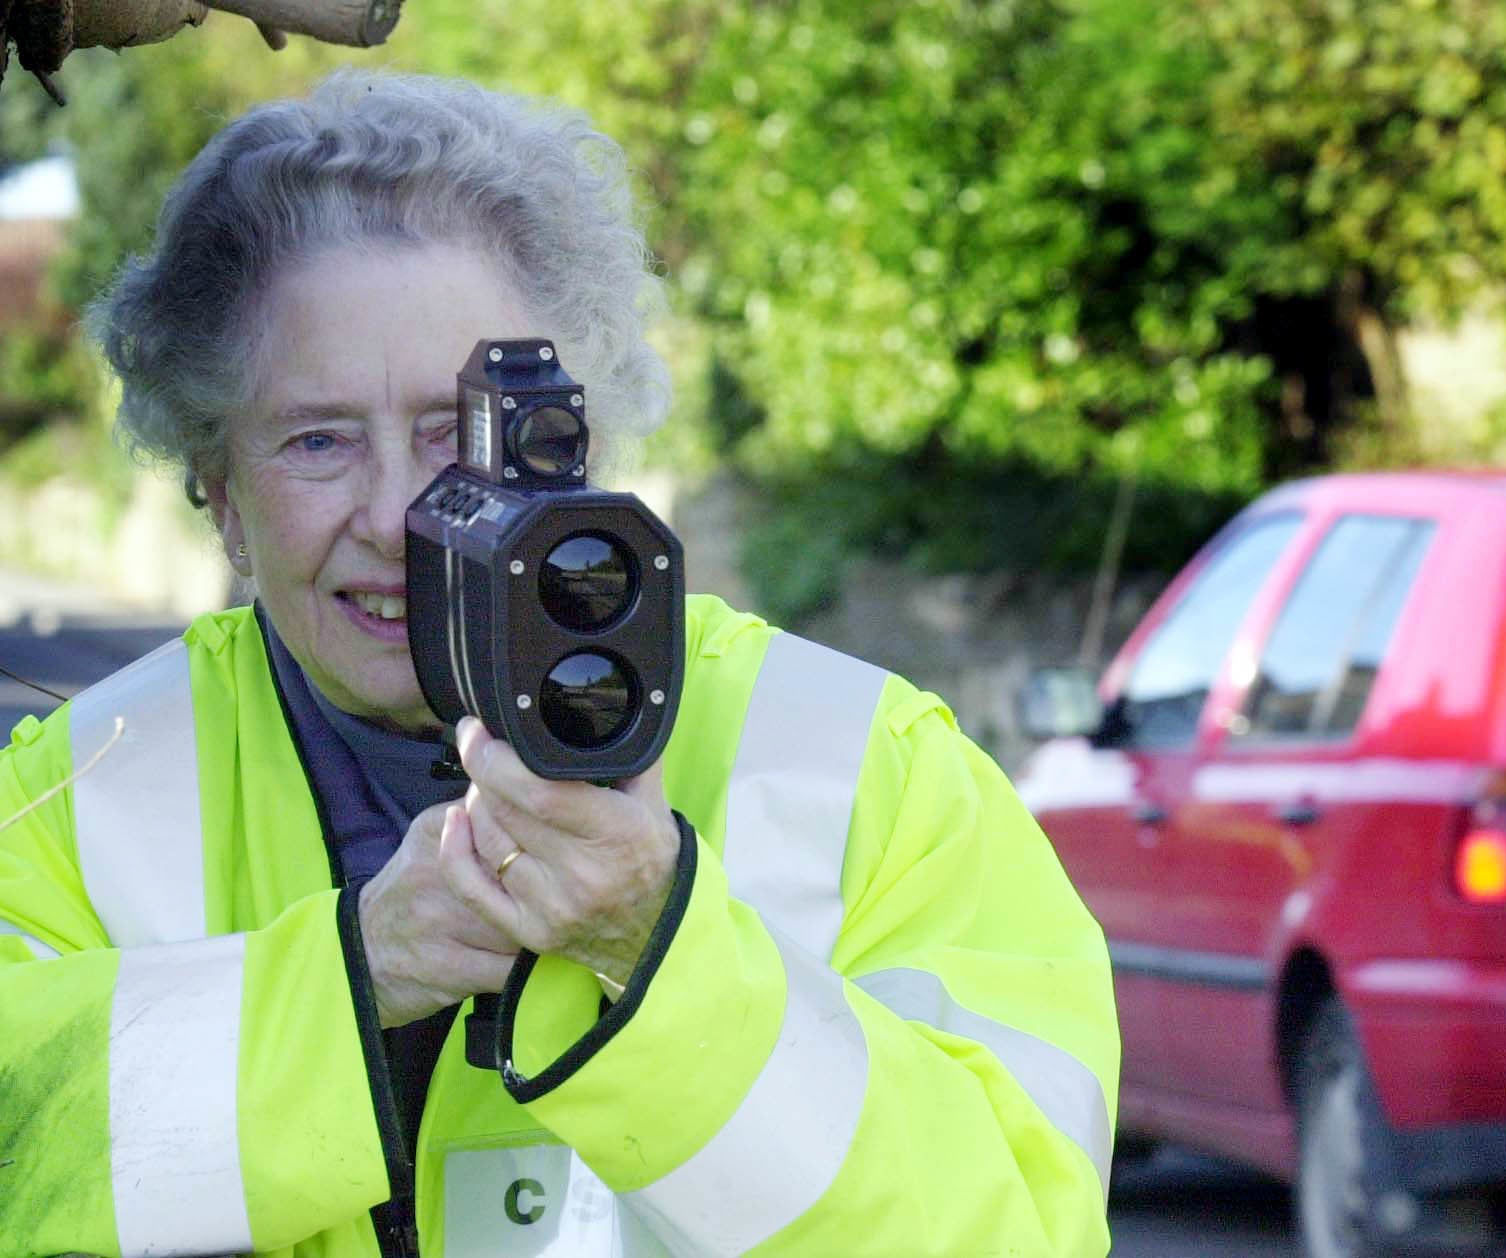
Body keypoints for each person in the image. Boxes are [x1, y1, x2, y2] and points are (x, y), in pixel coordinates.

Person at [0, 71, 1118, 1256]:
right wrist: (357, 974)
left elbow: (1018, 1225)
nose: (393, 515)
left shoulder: (871, 774)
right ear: (221, 496)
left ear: (573, 441)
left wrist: (655, 945)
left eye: (455, 434)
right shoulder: (71, 802)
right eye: (316, 439)